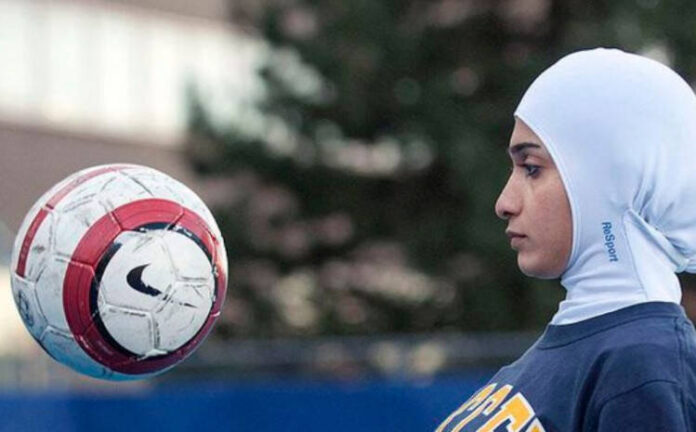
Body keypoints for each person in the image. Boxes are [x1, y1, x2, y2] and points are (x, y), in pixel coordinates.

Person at [435, 48, 696, 431]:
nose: (504, 203)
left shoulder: (643, 362)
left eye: (531, 168)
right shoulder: (582, 352)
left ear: (613, 177)